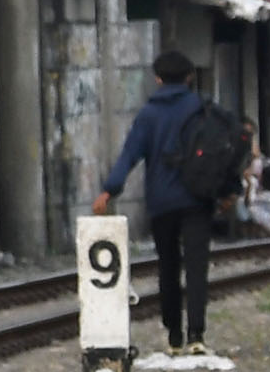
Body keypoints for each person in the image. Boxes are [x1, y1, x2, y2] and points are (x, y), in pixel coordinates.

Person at [94, 50, 243, 352]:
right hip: (197, 199)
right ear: (189, 77)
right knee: (197, 267)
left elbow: (130, 154)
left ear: (158, 78)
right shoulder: (202, 108)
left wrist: (110, 190)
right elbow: (222, 151)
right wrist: (228, 190)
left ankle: (174, 337)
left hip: (161, 202)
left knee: (168, 268)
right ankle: (197, 336)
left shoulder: (148, 115)